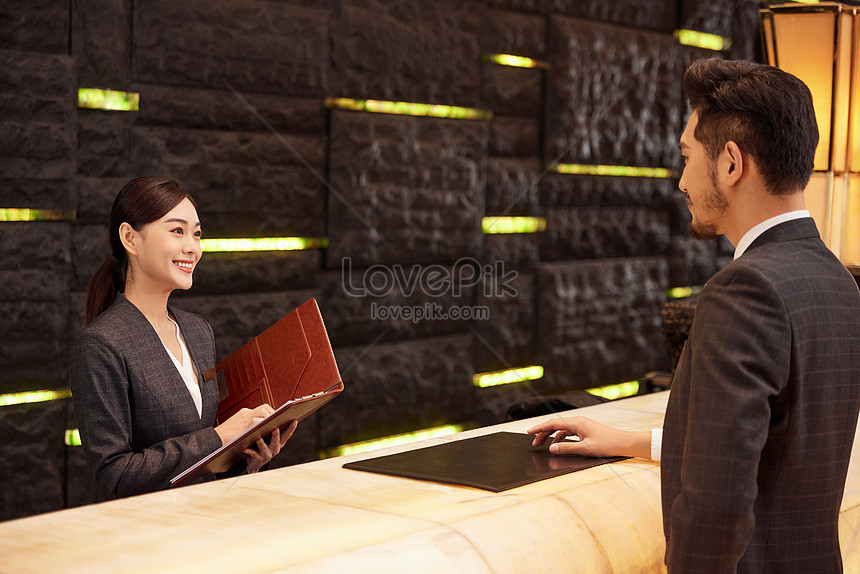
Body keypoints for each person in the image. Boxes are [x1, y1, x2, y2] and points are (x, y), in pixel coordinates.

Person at [528, 58, 860, 572]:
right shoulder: (837, 279)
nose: (681, 180)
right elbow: (771, 443)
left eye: (687, 157)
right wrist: (630, 441)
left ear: (730, 163)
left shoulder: (745, 289)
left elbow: (718, 505)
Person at [71, 176, 296, 501]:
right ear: (130, 238)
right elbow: (113, 477)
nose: (192, 246)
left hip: (203, 522)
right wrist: (219, 437)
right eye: (177, 231)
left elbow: (203, 465)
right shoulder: (101, 344)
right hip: (142, 535)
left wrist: (247, 459)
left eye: (197, 233)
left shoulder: (197, 331)